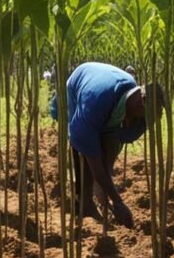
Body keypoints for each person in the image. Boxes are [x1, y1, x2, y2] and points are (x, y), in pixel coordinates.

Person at [50, 62, 158, 228]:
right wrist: (118, 201)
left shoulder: (134, 95)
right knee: (84, 151)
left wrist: (107, 189)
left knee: (107, 146)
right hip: (79, 85)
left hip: (105, 90)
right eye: (136, 118)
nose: (133, 122)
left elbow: (115, 141)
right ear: (138, 105)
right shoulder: (93, 106)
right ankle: (84, 203)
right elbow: (95, 161)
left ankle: (99, 195)